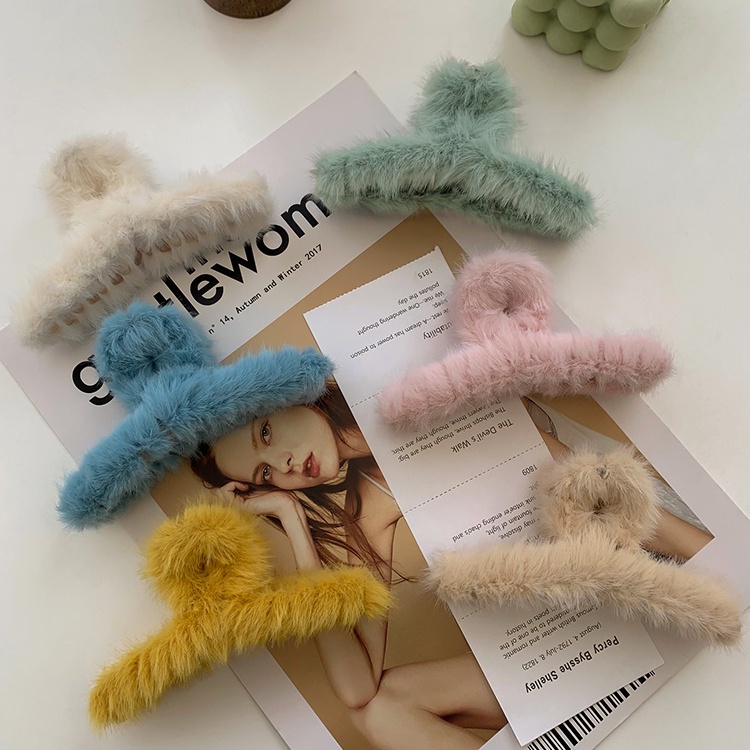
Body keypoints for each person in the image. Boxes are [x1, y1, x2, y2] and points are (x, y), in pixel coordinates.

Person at [191, 381, 506, 750]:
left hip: (566, 605)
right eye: (265, 474)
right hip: (531, 650)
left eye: (265, 433)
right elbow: (357, 689)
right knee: (377, 710)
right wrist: (292, 519)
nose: (282, 464)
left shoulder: (412, 389)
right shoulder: (370, 501)